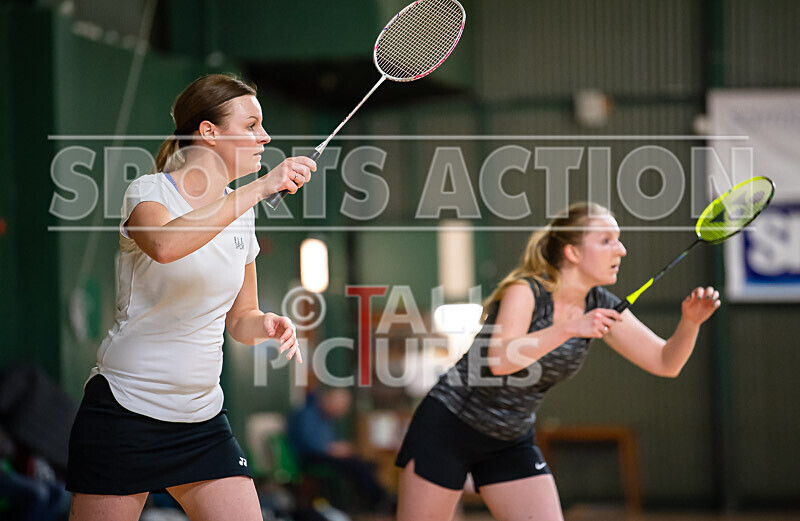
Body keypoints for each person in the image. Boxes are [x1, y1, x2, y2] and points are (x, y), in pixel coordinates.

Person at [66, 74, 316, 521]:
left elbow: (241, 319)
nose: (266, 136)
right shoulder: (149, 193)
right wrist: (258, 188)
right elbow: (164, 246)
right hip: (126, 407)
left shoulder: (241, 214)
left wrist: (267, 323)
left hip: (201, 417)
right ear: (209, 132)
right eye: (252, 125)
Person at [395, 202, 721, 521]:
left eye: (618, 239)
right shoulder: (526, 291)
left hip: (510, 438)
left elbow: (665, 362)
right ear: (573, 252)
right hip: (450, 425)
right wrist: (570, 327)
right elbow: (499, 360)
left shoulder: (599, 304)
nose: (620, 250)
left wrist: (690, 323)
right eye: (606, 240)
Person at [287, 389, 392, 514]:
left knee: (367, 464)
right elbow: (310, 444)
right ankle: (380, 500)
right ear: (330, 401)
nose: (339, 413)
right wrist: (333, 449)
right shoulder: (307, 413)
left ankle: (376, 500)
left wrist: (337, 448)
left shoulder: (325, 416)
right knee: (354, 465)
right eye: (339, 408)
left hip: (323, 455)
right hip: (307, 458)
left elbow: (327, 442)